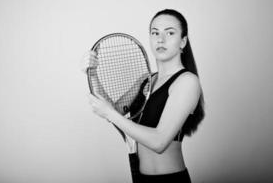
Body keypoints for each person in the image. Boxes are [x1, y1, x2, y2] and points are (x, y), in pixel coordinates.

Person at [84, 9, 205, 183]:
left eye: (170, 33)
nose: (160, 39)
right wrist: (93, 73)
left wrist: (109, 113)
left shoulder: (187, 81)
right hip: (140, 177)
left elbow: (159, 142)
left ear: (183, 41)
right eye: (155, 33)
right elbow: (115, 111)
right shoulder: (146, 79)